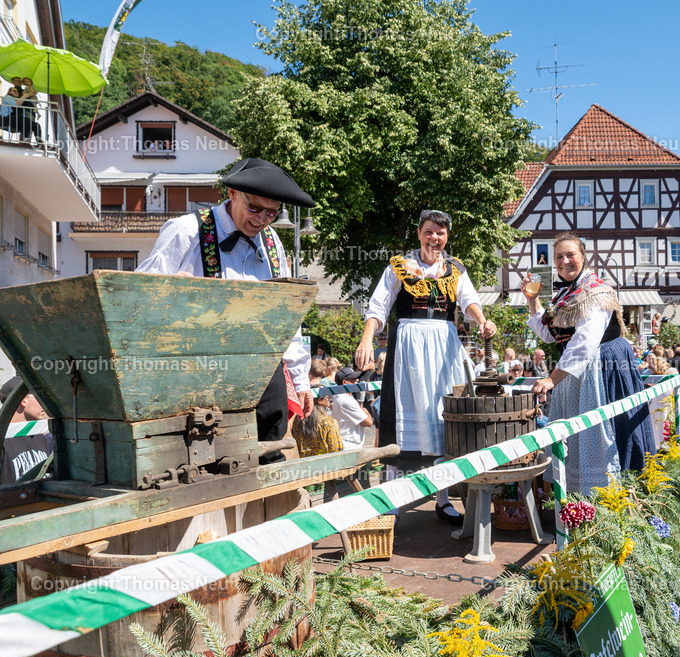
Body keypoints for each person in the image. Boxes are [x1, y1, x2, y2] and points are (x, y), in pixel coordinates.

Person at [136, 158, 316, 440]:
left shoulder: (272, 243)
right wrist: (169, 293)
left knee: (271, 449)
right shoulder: (187, 231)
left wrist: (301, 379)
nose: (261, 219)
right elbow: (138, 299)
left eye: (271, 213)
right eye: (255, 208)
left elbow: (287, 316)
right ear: (232, 194)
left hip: (263, 371)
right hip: (201, 373)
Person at [353, 209, 497, 524]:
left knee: (442, 418)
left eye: (441, 233)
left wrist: (483, 320)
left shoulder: (455, 269)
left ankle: (443, 499)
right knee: (403, 415)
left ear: (447, 237)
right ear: (419, 233)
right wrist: (366, 340)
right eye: (429, 232)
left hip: (444, 346)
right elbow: (378, 306)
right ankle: (390, 498)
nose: (435, 238)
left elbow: (469, 300)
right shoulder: (399, 267)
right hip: (409, 346)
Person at [524, 233, 656, 496]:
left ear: (583, 257)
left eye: (570, 254)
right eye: (559, 257)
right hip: (573, 373)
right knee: (576, 435)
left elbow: (585, 342)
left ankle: (609, 500)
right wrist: (532, 300)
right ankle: (577, 502)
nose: (564, 261)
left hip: (602, 369)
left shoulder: (595, 291)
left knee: (599, 431)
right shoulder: (565, 293)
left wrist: (551, 380)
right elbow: (550, 334)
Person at [1, 377, 51, 485]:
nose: (44, 402)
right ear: (23, 400)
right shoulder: (3, 439)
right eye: (39, 395)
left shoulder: (41, 435)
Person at [332, 367, 375, 450]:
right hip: (350, 445)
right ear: (345, 382)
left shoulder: (340, 396)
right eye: (353, 379)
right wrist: (365, 411)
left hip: (348, 443)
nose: (357, 380)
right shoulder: (346, 400)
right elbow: (369, 422)